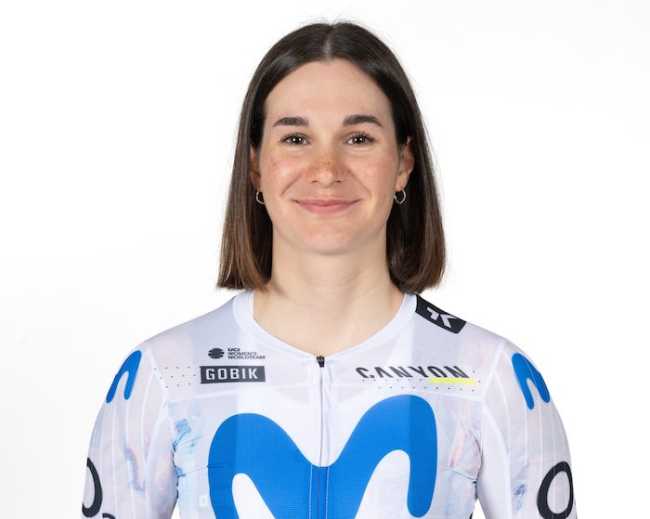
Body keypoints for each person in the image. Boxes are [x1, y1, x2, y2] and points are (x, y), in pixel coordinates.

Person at [80, 20, 577, 519]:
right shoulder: (164, 373)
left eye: (358, 138)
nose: (326, 170)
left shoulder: (489, 373)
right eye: (296, 138)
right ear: (255, 166)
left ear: (403, 163)